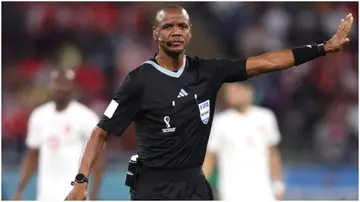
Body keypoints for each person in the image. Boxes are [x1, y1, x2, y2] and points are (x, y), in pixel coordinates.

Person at [66, 5, 353, 200]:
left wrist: (321, 49)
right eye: (168, 26)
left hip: (194, 185)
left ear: (190, 32)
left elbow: (266, 62)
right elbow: (99, 132)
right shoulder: (138, 79)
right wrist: (81, 179)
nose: (176, 31)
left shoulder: (208, 71)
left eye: (182, 26)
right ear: (156, 33)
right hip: (152, 187)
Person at [13, 69, 105, 201]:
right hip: (45, 196)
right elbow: (32, 155)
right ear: (51, 85)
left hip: (74, 195)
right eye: (57, 83)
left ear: (73, 86)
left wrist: (95, 192)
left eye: (65, 83)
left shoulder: (85, 116)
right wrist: (19, 190)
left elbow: (98, 156)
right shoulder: (39, 116)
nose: (61, 88)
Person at [203, 83, 284, 201]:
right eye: (228, 91)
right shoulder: (220, 122)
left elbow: (273, 154)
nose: (230, 94)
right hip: (231, 194)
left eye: (235, 89)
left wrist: (278, 185)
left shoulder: (266, 118)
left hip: (263, 193)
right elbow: (209, 159)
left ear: (248, 90)